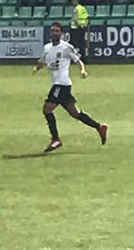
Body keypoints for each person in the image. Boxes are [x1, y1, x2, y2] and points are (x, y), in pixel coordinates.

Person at [32, 22, 107, 153]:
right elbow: (42, 61)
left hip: (61, 83)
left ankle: (55, 139)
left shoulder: (66, 47)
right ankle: (99, 126)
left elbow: (78, 60)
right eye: (52, 31)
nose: (54, 33)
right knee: (75, 113)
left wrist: (83, 71)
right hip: (58, 84)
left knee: (47, 109)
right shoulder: (47, 48)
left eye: (56, 31)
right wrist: (36, 68)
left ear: (61, 33)